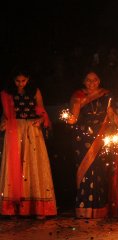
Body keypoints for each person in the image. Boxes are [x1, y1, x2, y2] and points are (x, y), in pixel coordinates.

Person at [67, 70, 118, 218]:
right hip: (84, 138)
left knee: (99, 170)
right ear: (83, 81)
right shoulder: (78, 96)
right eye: (88, 80)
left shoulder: (106, 95)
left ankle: (99, 209)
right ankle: (84, 208)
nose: (92, 83)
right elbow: (73, 117)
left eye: (94, 80)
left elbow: (111, 114)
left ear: (99, 81)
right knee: (86, 170)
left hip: (101, 136)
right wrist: (69, 119)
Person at [0, 70, 56, 219]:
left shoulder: (34, 91)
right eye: (18, 81)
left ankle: (38, 208)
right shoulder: (7, 93)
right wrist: (4, 122)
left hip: (32, 130)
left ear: (28, 79)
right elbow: (5, 114)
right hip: (15, 130)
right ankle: (14, 209)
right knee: (15, 165)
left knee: (33, 164)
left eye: (23, 81)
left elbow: (41, 110)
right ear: (13, 80)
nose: (20, 84)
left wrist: (40, 120)